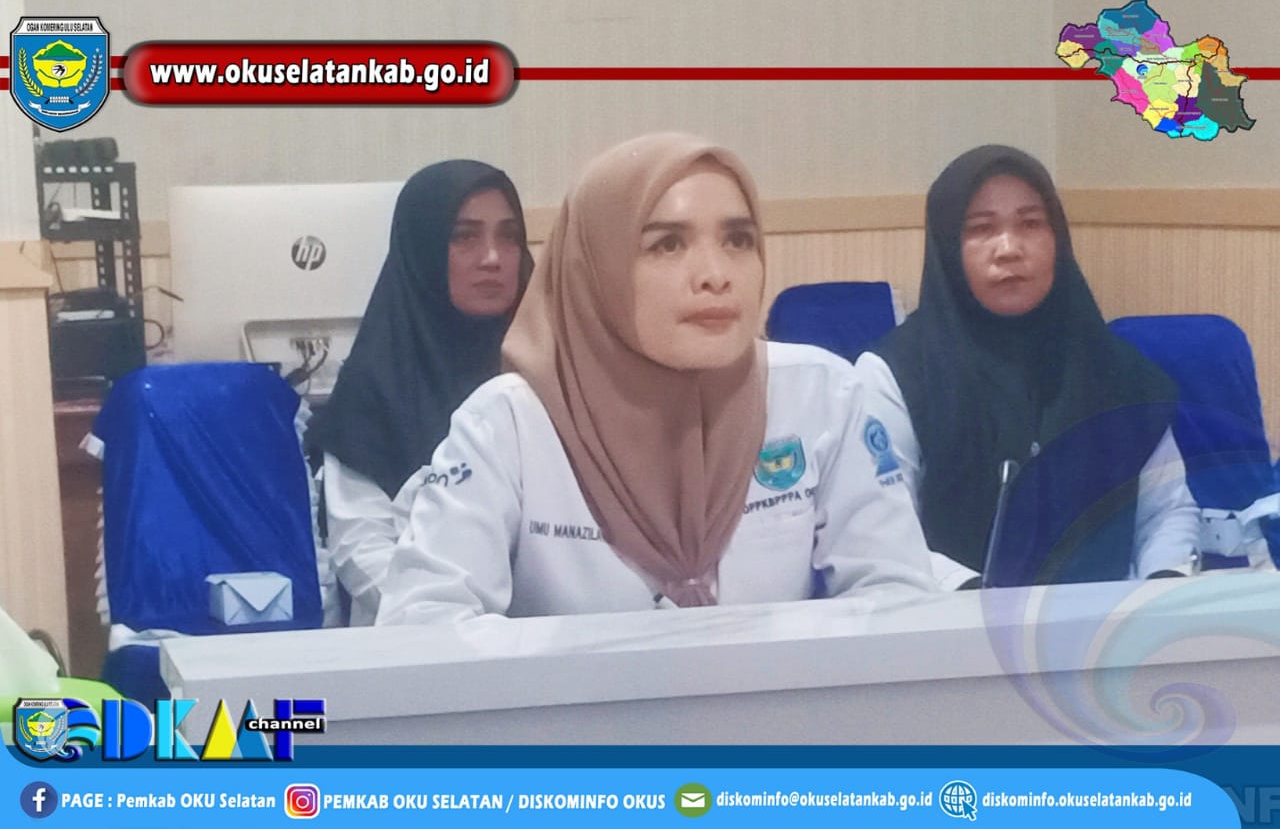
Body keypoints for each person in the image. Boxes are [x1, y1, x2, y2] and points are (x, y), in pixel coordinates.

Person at [375, 132, 937, 624]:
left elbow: (898, 595)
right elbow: (423, 623)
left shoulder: (822, 393)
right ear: (597, 269)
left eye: (738, 240)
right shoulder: (508, 424)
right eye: (667, 244)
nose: (716, 275)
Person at [857, 144, 1198, 589]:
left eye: (1031, 224)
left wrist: (1162, 587)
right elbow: (885, 531)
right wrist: (979, 602)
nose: (1009, 249)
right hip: (952, 621)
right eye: (981, 229)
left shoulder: (1118, 371)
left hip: (1107, 622)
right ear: (947, 246)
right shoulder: (895, 374)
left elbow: (1167, 511)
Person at [310, 160, 534, 625]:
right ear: (423, 250)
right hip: (416, 637)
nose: (493, 257)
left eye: (509, 236)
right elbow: (360, 547)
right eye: (465, 236)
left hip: (554, 635)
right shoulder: (378, 383)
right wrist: (451, 623)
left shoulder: (554, 374)